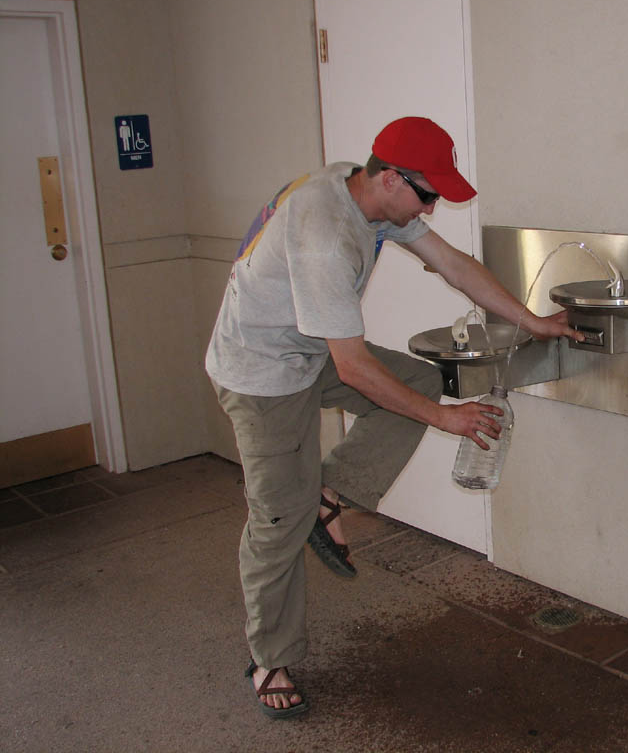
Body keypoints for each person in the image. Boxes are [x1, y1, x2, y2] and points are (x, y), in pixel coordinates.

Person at [205, 116, 578, 718]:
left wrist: (532, 321)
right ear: (389, 178)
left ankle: (330, 494)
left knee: (418, 379)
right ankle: (269, 656)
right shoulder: (325, 234)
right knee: (278, 517)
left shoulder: (364, 196)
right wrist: (445, 419)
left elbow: (454, 264)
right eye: (427, 194)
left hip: (310, 346)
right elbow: (352, 368)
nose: (430, 209)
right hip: (262, 371)